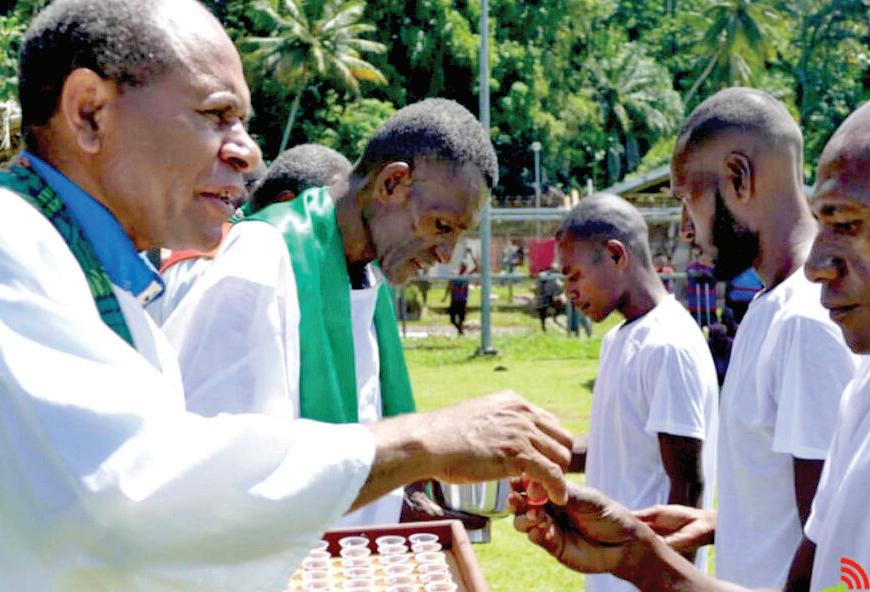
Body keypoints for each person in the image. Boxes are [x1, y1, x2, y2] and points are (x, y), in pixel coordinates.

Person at [0, 1, 571, 589]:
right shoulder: (13, 249)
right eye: (216, 114)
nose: (247, 153)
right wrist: (426, 441)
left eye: (243, 123)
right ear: (89, 112)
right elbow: (144, 496)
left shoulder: (97, 278)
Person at [511, 81, 870, 592]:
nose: (818, 264)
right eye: (823, 220)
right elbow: (828, 549)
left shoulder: (806, 323)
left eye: (847, 223)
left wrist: (650, 561)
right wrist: (684, 539)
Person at [162, 99, 526, 529]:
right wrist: (429, 441)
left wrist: (405, 508)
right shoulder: (262, 259)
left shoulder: (366, 276)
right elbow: (212, 474)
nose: (447, 254)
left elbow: (353, 443)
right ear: (392, 183)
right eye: (442, 226)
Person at [673, 87, 858, 588]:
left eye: (688, 200)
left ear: (738, 177)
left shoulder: (806, 321)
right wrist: (721, 525)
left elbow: (830, 547)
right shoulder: (767, 306)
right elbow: (784, 503)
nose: (686, 228)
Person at [557, 193, 719, 591]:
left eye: (574, 276)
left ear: (616, 255)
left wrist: (671, 581)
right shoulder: (619, 339)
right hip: (611, 572)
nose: (568, 292)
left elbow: (687, 486)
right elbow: (620, 445)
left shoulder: (668, 345)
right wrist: (536, 455)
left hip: (646, 580)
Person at [147, 143, 351, 325]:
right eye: (328, 219)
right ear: (286, 204)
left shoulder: (213, 245)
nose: (336, 238)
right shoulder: (237, 267)